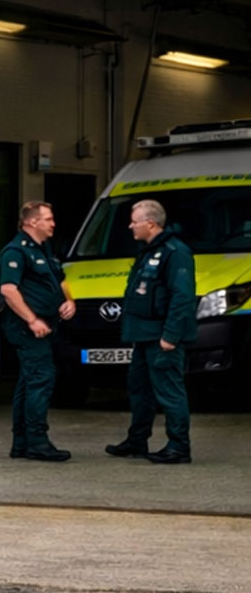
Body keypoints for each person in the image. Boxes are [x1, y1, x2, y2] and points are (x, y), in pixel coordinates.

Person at [104, 199, 197, 464]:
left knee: (169, 391)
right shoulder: (148, 251)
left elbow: (182, 297)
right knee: (139, 389)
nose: (130, 225)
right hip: (143, 336)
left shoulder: (175, 252)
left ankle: (179, 446)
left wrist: (171, 335)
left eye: (135, 221)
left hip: (161, 337)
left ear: (151, 223)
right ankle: (137, 440)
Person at [0, 200, 75, 461]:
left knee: (28, 382)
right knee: (42, 378)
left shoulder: (44, 250)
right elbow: (8, 291)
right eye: (49, 219)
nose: (53, 223)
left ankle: (21, 442)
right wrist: (32, 320)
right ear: (32, 222)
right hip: (28, 329)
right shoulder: (15, 252)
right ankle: (37, 442)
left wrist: (69, 301)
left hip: (47, 326)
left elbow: (61, 280)